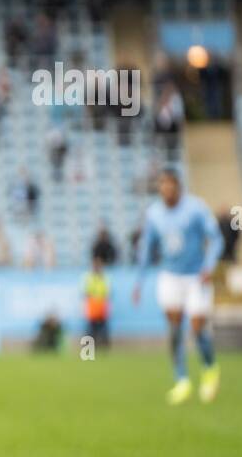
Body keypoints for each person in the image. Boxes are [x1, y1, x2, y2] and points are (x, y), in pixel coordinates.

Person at [132, 168, 224, 405]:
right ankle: (181, 379)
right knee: (174, 328)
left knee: (197, 327)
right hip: (170, 275)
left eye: (170, 186)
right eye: (162, 186)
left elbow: (216, 239)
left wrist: (209, 266)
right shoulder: (154, 214)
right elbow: (145, 248)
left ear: (178, 187)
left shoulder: (196, 208)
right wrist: (139, 281)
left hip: (196, 276)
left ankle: (209, 367)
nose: (166, 190)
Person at [83, 255, 111, 348]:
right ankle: (89, 350)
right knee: (91, 330)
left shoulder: (104, 278)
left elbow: (107, 292)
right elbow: (86, 292)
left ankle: (103, 348)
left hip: (102, 308)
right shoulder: (89, 277)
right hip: (93, 308)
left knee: (103, 330)